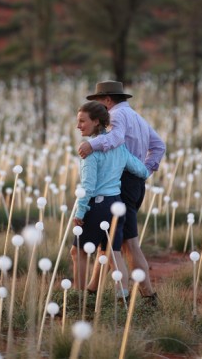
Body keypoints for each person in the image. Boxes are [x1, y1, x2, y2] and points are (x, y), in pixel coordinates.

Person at [77, 80, 165, 303]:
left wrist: (91, 145)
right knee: (110, 242)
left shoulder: (116, 116)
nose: (100, 108)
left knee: (127, 244)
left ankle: (148, 296)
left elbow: (115, 140)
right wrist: (145, 170)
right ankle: (92, 290)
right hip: (134, 182)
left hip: (122, 183)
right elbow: (159, 145)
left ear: (107, 100)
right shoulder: (136, 117)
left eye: (99, 102)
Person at [72, 100, 148, 300]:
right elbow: (140, 169)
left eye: (82, 121)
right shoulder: (119, 147)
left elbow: (88, 186)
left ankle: (77, 298)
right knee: (114, 254)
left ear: (96, 121)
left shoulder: (90, 152)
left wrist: (80, 212)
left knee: (77, 251)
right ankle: (121, 297)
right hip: (117, 204)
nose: (78, 125)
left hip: (98, 206)